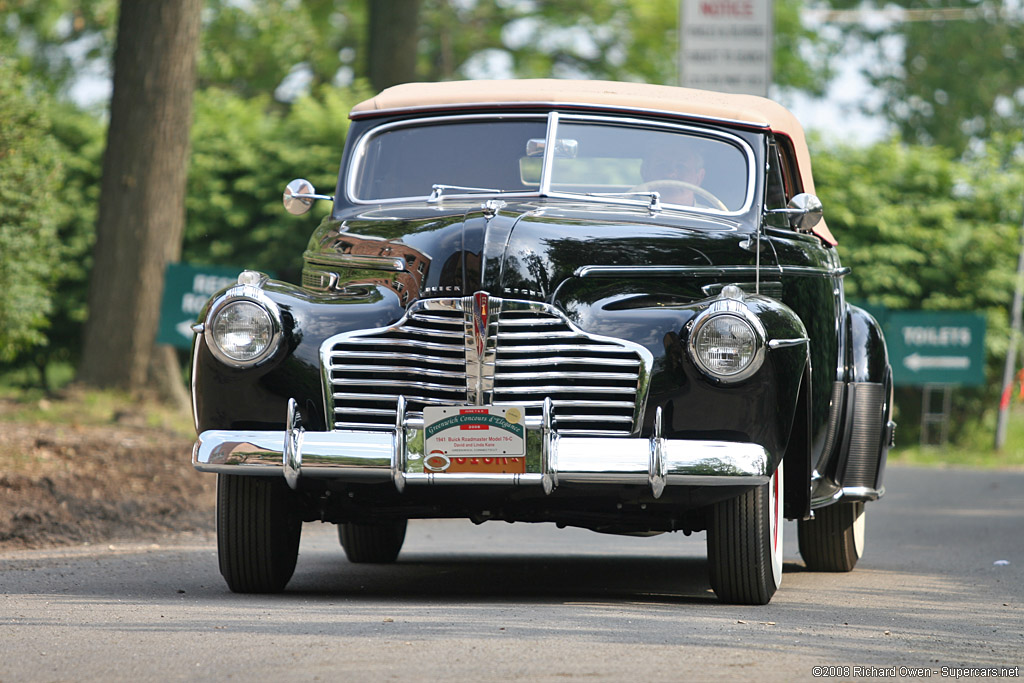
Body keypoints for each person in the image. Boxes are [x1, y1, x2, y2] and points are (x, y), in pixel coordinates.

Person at [636, 148, 706, 206]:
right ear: (645, 173)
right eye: (662, 165)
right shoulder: (626, 212)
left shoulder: (710, 219)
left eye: (681, 166)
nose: (670, 174)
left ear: (699, 177)